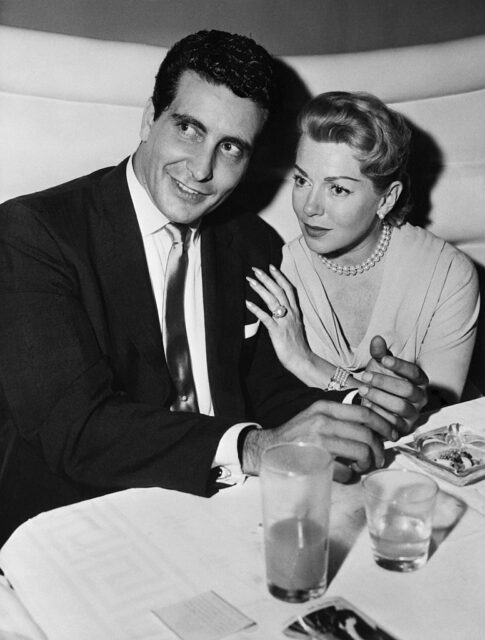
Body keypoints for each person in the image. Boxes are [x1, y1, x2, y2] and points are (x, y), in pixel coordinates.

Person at [0, 34, 426, 544]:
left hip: (222, 513)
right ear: (148, 119)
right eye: (188, 129)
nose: (202, 170)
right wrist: (252, 447)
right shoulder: (34, 232)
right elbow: (74, 428)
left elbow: (264, 386)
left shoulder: (249, 241)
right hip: (79, 517)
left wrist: (358, 407)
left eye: (230, 148)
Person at [247, 91, 479, 408]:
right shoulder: (276, 273)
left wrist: (307, 364)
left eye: (338, 189)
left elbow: (435, 424)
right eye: (302, 181)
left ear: (386, 199)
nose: (309, 207)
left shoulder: (448, 276)